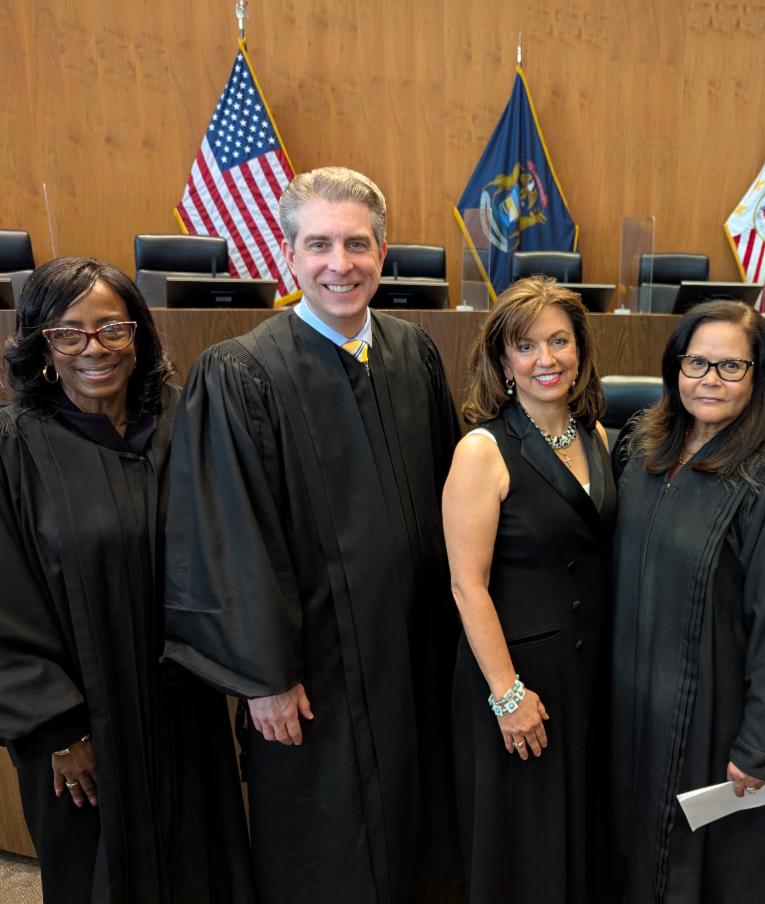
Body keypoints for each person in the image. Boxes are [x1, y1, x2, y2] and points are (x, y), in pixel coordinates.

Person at [162, 166, 462, 903]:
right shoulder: (241, 374)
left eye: (357, 244)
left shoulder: (414, 355)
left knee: (420, 830)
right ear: (287, 255)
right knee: (326, 845)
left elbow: (449, 504)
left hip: (412, 654)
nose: (340, 264)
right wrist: (264, 677)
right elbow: (228, 536)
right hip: (312, 670)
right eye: (319, 244)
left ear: (383, 253)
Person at [0, 258, 254, 903]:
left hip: (185, 711)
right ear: (41, 346)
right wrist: (57, 731)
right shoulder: (14, 447)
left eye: (112, 327)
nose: (95, 348)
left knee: (201, 867)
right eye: (69, 333)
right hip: (81, 727)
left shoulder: (184, 422)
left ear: (138, 333)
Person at [609, 300, 765, 903]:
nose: (710, 379)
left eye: (732, 366)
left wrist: (761, 743)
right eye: (697, 363)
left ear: (759, 377)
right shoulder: (641, 451)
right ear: (675, 367)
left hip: (716, 715)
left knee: (703, 869)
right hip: (633, 706)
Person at [443, 277, 615, 902]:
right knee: (524, 850)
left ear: (580, 350)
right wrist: (507, 694)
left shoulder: (596, 436)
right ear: (502, 360)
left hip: (585, 677)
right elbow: (467, 586)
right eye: (526, 345)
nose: (547, 359)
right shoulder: (482, 449)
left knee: (579, 838)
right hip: (517, 681)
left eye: (560, 341)